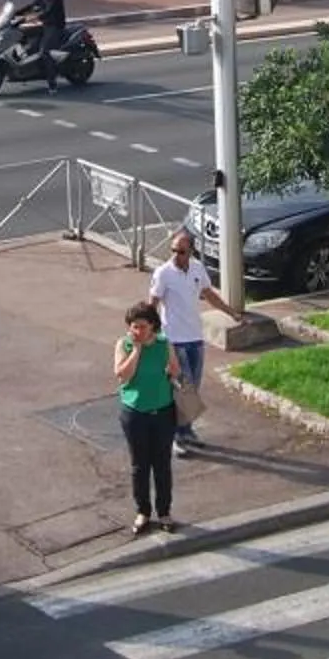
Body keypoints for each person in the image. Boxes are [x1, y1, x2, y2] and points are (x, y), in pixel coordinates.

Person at [148, 227, 242, 455]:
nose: (175, 256)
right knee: (183, 388)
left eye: (181, 252)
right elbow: (152, 303)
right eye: (173, 250)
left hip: (195, 339)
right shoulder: (163, 273)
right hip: (174, 340)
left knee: (193, 389)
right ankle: (176, 436)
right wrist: (150, 334)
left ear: (191, 251)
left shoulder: (197, 269)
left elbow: (209, 295)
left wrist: (231, 313)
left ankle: (186, 431)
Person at [115, 301, 179, 534]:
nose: (137, 331)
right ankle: (143, 511)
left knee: (162, 465)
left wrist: (170, 373)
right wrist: (137, 351)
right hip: (135, 413)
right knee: (140, 466)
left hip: (163, 412)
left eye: (142, 326)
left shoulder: (164, 344)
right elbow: (122, 376)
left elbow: (175, 370)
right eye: (134, 326)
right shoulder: (124, 345)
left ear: (153, 326)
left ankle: (164, 512)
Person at [9, 0, 67, 67]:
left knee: (44, 51)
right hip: (45, 25)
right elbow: (32, 6)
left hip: (55, 27)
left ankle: (51, 75)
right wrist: (15, 13)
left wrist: (31, 18)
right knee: (22, 34)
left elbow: (48, 12)